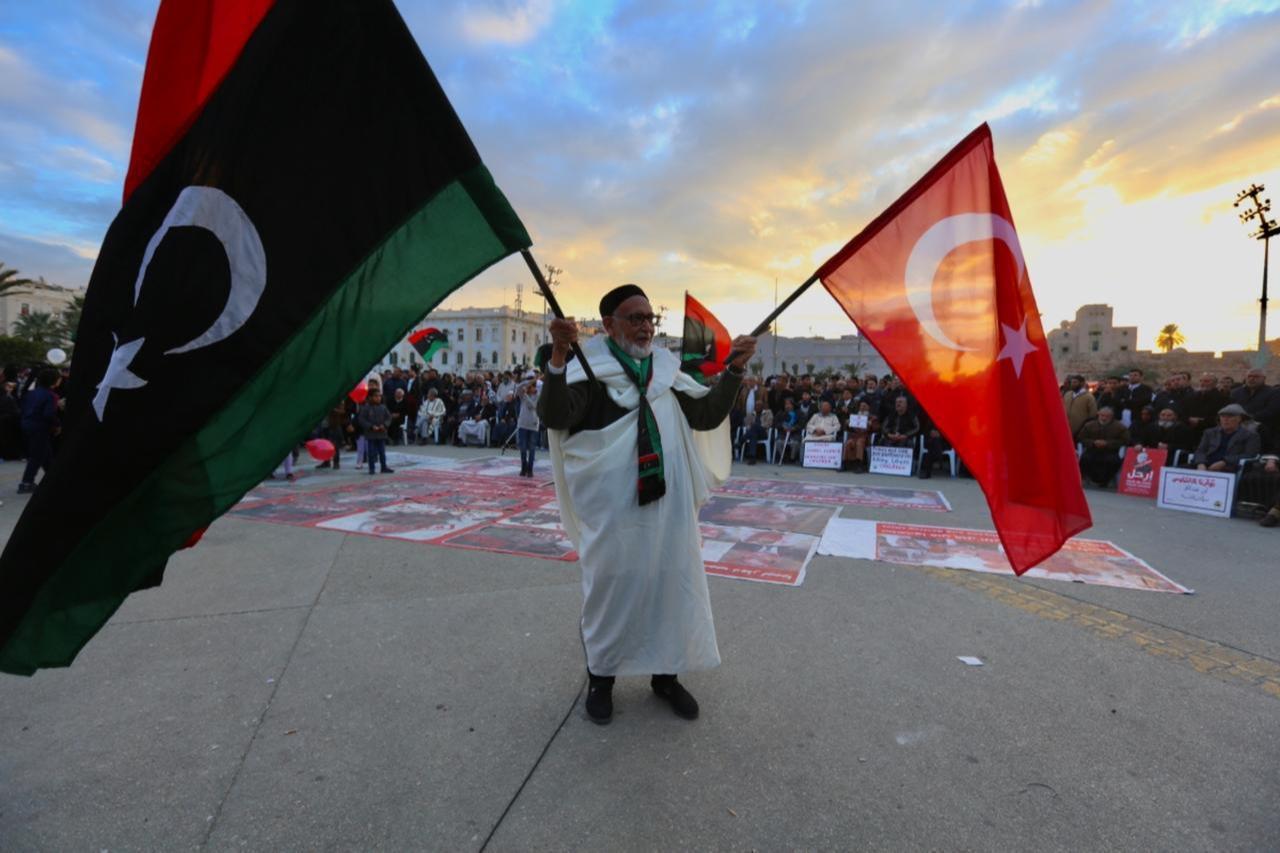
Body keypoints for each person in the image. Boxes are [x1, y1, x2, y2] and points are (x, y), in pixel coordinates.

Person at [538, 283, 754, 725]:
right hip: (612, 514)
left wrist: (733, 371)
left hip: (668, 509)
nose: (644, 326)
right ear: (609, 325)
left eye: (649, 317)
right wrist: (558, 358)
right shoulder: (590, 369)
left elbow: (707, 414)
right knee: (610, 593)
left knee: (670, 589)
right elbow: (556, 417)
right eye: (634, 318)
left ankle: (665, 677)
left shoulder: (668, 371)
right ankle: (601, 680)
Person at [18, 368, 61, 494]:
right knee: (37, 456)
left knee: (46, 454)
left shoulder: (32, 393)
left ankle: (54, 479)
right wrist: (57, 424)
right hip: (40, 427)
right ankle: (26, 483)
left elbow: (24, 407)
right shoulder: (51, 395)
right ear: (54, 381)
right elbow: (48, 414)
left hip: (27, 424)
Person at [1193, 403, 1260, 471]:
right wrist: (1200, 463)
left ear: (1239, 419)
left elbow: (1249, 455)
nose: (1225, 419)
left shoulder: (1250, 435)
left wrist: (1225, 462)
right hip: (1205, 464)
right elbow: (1200, 451)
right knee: (1183, 470)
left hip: (1230, 466)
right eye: (1222, 416)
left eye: (1230, 416)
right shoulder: (1210, 432)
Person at [1077, 406, 1128, 487]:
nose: (1104, 418)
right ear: (1098, 415)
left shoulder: (1119, 427)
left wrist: (1108, 443)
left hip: (1110, 451)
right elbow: (1081, 438)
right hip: (1092, 450)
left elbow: (1125, 440)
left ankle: (1106, 481)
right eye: (1102, 415)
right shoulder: (1089, 425)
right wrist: (1093, 442)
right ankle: (1088, 478)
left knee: (1113, 461)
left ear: (1111, 417)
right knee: (1085, 459)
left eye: (1107, 416)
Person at [358, 388, 394, 474]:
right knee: (371, 452)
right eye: (376, 396)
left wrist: (384, 425)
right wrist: (371, 426)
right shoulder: (366, 408)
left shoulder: (383, 407)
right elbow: (361, 419)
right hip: (371, 434)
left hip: (381, 433)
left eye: (379, 396)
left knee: (382, 452)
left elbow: (389, 417)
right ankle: (371, 468)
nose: (378, 398)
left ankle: (383, 467)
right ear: (370, 397)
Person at [516, 373, 541, 477]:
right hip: (522, 424)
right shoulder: (523, 394)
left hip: (533, 424)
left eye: (531, 387)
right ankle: (523, 468)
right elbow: (518, 387)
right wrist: (528, 382)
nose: (529, 388)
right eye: (529, 387)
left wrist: (526, 395)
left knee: (531, 448)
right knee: (522, 448)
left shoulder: (538, 395)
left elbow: (533, 406)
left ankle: (530, 470)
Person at [842, 401, 877, 472]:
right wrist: (847, 424)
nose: (862, 408)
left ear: (868, 407)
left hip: (865, 437)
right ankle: (845, 463)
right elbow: (849, 429)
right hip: (855, 436)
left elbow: (876, 429)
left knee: (859, 442)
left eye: (864, 406)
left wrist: (871, 425)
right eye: (861, 406)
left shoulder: (872, 417)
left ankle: (859, 464)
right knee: (849, 442)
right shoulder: (855, 416)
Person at [1062, 373, 1097, 438]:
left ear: (1082, 383)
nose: (1072, 384)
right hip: (1066, 427)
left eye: (1075, 382)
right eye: (1072, 382)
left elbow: (1093, 414)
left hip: (1081, 429)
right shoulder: (1067, 394)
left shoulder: (1088, 397)